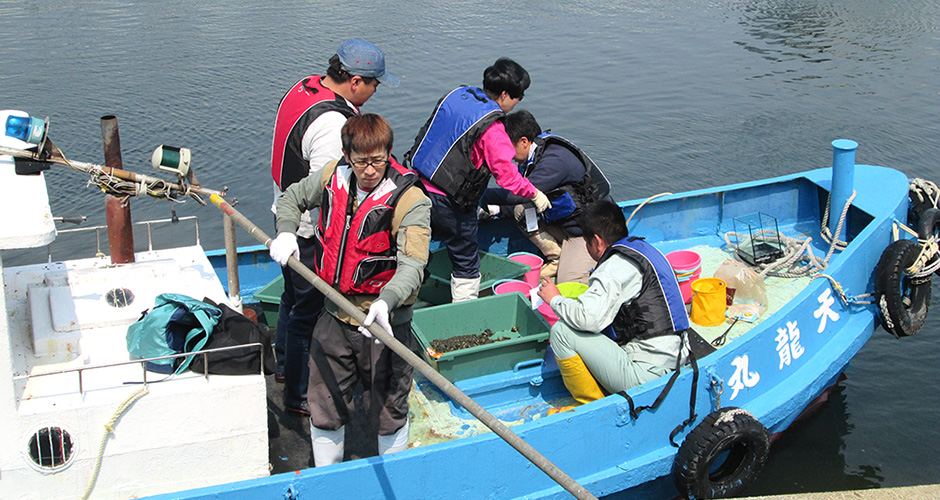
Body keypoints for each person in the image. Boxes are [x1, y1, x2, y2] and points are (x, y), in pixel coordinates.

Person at [269, 114, 430, 466]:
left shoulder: (411, 200)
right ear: (346, 155)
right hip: (333, 316)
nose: (369, 170)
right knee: (324, 402)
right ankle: (328, 477)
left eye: (377, 160)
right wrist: (286, 230)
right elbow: (291, 198)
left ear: (388, 153)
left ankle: (395, 475)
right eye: (361, 161)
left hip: (383, 324)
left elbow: (413, 265)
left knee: (389, 406)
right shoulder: (331, 176)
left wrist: (387, 303)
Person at [268, 39, 398, 416]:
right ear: (355, 81)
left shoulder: (305, 87)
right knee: (308, 315)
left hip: (281, 217)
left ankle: (282, 367)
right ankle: (298, 394)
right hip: (304, 233)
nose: (375, 91)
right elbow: (329, 189)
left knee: (291, 302)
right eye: (374, 84)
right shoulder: (333, 123)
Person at [405, 57, 551, 302]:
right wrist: (534, 194)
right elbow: (507, 177)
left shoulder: (458, 96)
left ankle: (412, 299)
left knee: (415, 249)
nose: (517, 104)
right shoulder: (493, 128)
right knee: (466, 261)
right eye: (519, 97)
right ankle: (464, 315)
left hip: (416, 187)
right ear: (505, 95)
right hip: (451, 203)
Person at [537, 200, 691, 404]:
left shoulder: (613, 268)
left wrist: (555, 298)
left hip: (648, 375)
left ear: (597, 242)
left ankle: (592, 404)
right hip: (678, 354)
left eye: (586, 242)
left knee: (562, 332)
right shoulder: (644, 249)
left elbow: (588, 319)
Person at [480, 109, 611, 284]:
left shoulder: (554, 160)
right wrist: (495, 210)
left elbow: (517, 195)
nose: (507, 156)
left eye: (507, 147)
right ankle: (557, 257)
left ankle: (570, 263)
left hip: (586, 232)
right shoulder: (530, 159)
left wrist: (478, 196)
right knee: (522, 211)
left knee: (568, 282)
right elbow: (519, 199)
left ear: (524, 141)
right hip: (563, 223)